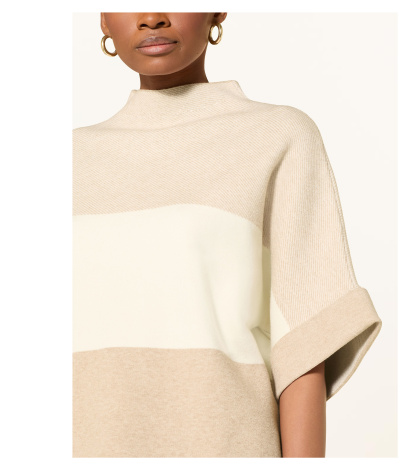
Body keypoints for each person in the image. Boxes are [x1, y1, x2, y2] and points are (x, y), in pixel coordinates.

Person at [73, 12, 382, 458]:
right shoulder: (66, 158)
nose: (152, 18)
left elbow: (303, 343)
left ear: (217, 10)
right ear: (103, 19)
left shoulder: (278, 136)